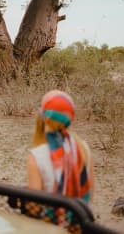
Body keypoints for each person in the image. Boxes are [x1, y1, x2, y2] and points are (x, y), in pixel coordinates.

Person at [27, 90, 94, 228]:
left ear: (43, 116)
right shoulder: (83, 149)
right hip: (79, 225)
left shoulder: (36, 156)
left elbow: (33, 208)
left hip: (49, 228)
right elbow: (89, 194)